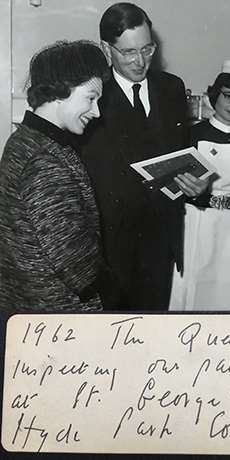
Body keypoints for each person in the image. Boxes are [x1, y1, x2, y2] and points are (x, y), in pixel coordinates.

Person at [82, 2, 187, 310]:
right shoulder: (92, 93)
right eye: (129, 52)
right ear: (106, 48)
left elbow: (180, 156)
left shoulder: (172, 88)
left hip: (161, 240)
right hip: (109, 248)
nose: (141, 61)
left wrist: (193, 185)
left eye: (148, 49)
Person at [0, 40, 110, 312]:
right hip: (57, 315)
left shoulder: (23, 140)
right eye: (91, 98)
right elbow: (78, 267)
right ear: (61, 90)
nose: (97, 111)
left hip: (25, 307)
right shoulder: (45, 160)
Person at [170, 60, 230, 310]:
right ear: (215, 94)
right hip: (196, 223)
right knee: (193, 289)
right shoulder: (192, 135)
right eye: (229, 96)